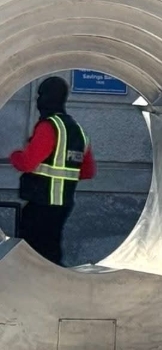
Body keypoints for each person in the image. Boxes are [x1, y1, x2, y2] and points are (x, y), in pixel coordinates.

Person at [9, 77, 95, 266]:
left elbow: (27, 163)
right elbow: (87, 171)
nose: (38, 100)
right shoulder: (78, 131)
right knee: (51, 250)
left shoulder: (49, 127)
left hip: (41, 202)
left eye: (40, 95)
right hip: (64, 203)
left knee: (33, 254)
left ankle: (39, 290)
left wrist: (14, 156)